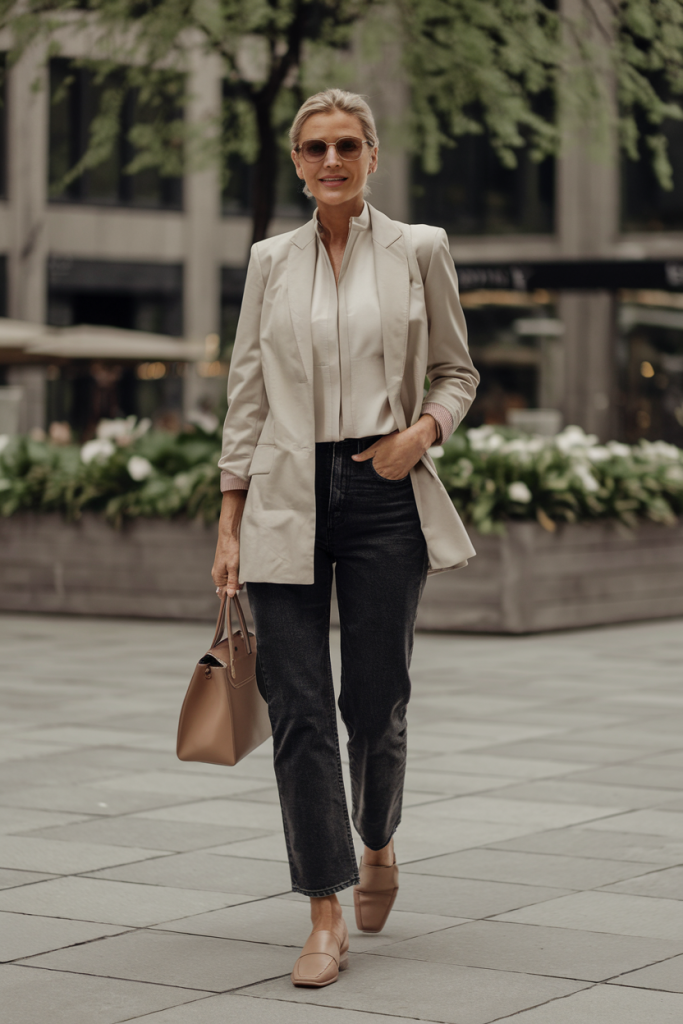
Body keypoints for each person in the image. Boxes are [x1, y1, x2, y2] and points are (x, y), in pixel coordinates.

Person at [212, 88, 478, 988]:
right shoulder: (267, 262)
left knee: (375, 702)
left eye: (348, 146)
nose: (331, 160)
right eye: (315, 147)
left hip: (381, 491)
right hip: (285, 494)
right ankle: (323, 909)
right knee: (298, 712)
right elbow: (245, 394)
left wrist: (419, 435)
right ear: (296, 163)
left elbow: (456, 371)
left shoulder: (420, 251)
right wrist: (228, 523)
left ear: (373, 156)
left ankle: (381, 837)